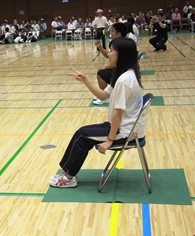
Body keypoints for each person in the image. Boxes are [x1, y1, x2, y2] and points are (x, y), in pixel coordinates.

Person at [49, 37, 144, 188]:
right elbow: (102, 96)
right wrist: (86, 80)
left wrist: (110, 141)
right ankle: (67, 172)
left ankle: (68, 177)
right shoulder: (124, 75)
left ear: (122, 55)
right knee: (82, 133)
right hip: (124, 128)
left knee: (81, 136)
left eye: (112, 51)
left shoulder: (125, 80)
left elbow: (117, 114)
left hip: (125, 132)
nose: (108, 54)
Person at [93, 22, 127, 105]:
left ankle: (105, 97)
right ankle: (104, 94)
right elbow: (109, 56)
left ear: (118, 34)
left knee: (101, 73)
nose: (111, 32)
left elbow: (116, 62)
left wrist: (105, 67)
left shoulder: (120, 45)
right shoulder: (121, 42)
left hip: (123, 73)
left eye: (113, 31)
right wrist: (100, 47)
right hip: (122, 71)